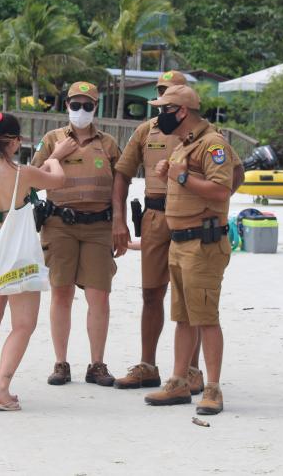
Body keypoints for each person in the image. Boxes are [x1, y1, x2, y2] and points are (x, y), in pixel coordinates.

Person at [142, 85, 242, 416]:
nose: (160, 117)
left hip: (204, 242)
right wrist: (170, 172)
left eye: (164, 110)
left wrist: (182, 178)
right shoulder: (186, 144)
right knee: (183, 317)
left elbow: (221, 189)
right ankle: (179, 380)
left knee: (206, 318)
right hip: (180, 241)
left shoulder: (213, 144)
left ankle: (212, 387)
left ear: (181, 112)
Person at [110, 70, 205, 395]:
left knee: (191, 298)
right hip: (154, 216)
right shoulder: (144, 131)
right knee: (151, 294)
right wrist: (119, 220)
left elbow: (224, 181)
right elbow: (121, 174)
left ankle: (192, 371)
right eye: (161, 93)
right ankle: (147, 366)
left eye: (170, 94)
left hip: (190, 217)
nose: (163, 101)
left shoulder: (202, 134)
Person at [0, 110, 68, 410]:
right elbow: (58, 181)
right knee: (23, 323)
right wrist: (54, 158)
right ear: (15, 141)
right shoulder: (24, 174)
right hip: (16, 250)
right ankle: (2, 386)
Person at [31, 81, 121, 387]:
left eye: (87, 106)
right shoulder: (52, 138)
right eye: (75, 105)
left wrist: (121, 225)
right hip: (59, 225)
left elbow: (120, 188)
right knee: (61, 292)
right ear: (66, 105)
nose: (81, 111)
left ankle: (97, 364)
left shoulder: (108, 143)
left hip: (98, 226)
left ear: (96, 108)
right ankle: (61, 363)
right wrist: (56, 154)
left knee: (99, 295)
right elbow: (33, 179)